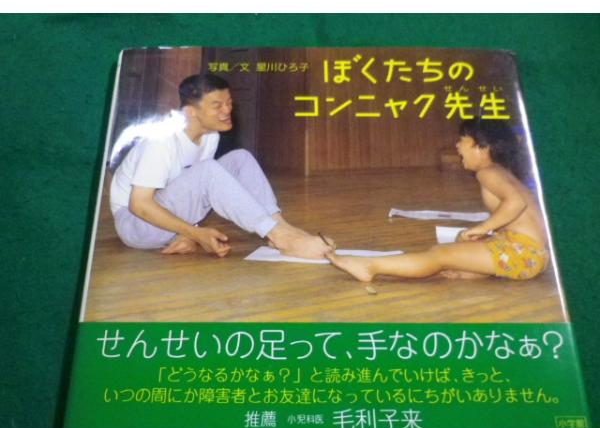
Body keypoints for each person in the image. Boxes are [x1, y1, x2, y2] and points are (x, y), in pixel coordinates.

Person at [109, 73, 334, 259]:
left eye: (229, 103)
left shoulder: (210, 136)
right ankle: (281, 237)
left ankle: (280, 228)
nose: (227, 110)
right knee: (208, 170)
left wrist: (189, 233)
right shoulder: (161, 141)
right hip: (135, 224)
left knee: (241, 158)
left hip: (167, 218)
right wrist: (195, 233)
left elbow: (192, 193)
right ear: (190, 112)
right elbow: (139, 205)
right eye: (217, 105)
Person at [327, 118, 549, 282]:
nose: (457, 146)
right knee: (458, 245)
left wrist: (483, 227)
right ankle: (472, 270)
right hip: (529, 252)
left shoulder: (488, 172)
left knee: (440, 254)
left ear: (482, 148)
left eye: (462, 140)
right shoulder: (501, 171)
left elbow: (516, 203)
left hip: (524, 253)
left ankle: (370, 266)